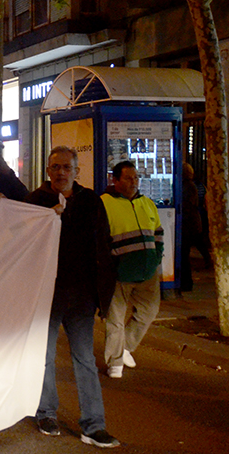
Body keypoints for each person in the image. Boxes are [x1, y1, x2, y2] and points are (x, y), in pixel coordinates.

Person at [25, 147, 119, 449]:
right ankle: (46, 413)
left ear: (77, 171)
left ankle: (93, 424)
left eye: (66, 167)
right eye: (55, 167)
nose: (60, 172)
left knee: (85, 359)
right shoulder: (36, 202)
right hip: (47, 294)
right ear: (48, 170)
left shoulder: (91, 201)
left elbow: (103, 245)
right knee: (45, 356)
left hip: (81, 296)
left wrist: (101, 294)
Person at [101, 161, 163, 379]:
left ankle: (124, 346)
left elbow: (158, 232)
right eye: (128, 178)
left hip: (147, 270)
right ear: (115, 180)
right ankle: (114, 362)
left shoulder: (147, 203)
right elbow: (99, 241)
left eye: (136, 178)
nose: (134, 182)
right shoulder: (104, 204)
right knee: (115, 319)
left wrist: (156, 258)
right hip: (119, 272)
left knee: (149, 311)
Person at [180, 162, 208, 290]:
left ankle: (186, 283)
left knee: (184, 254)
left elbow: (186, 204)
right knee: (187, 252)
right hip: (193, 223)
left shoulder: (187, 186)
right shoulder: (192, 185)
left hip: (188, 224)